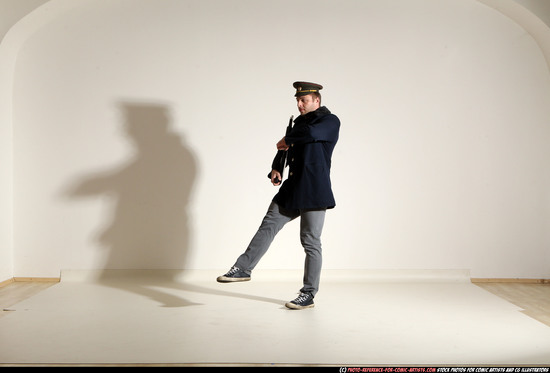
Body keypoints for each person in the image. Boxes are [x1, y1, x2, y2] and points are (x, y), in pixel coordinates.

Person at [217, 81, 340, 310]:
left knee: (310, 241)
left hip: (314, 191)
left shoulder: (329, 121)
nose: (300, 104)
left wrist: (289, 138)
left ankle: (308, 294)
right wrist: (276, 167)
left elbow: (311, 134)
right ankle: (243, 268)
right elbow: (285, 147)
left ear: (317, 100)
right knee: (268, 225)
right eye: (297, 100)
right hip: (292, 188)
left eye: (304, 100)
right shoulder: (298, 123)